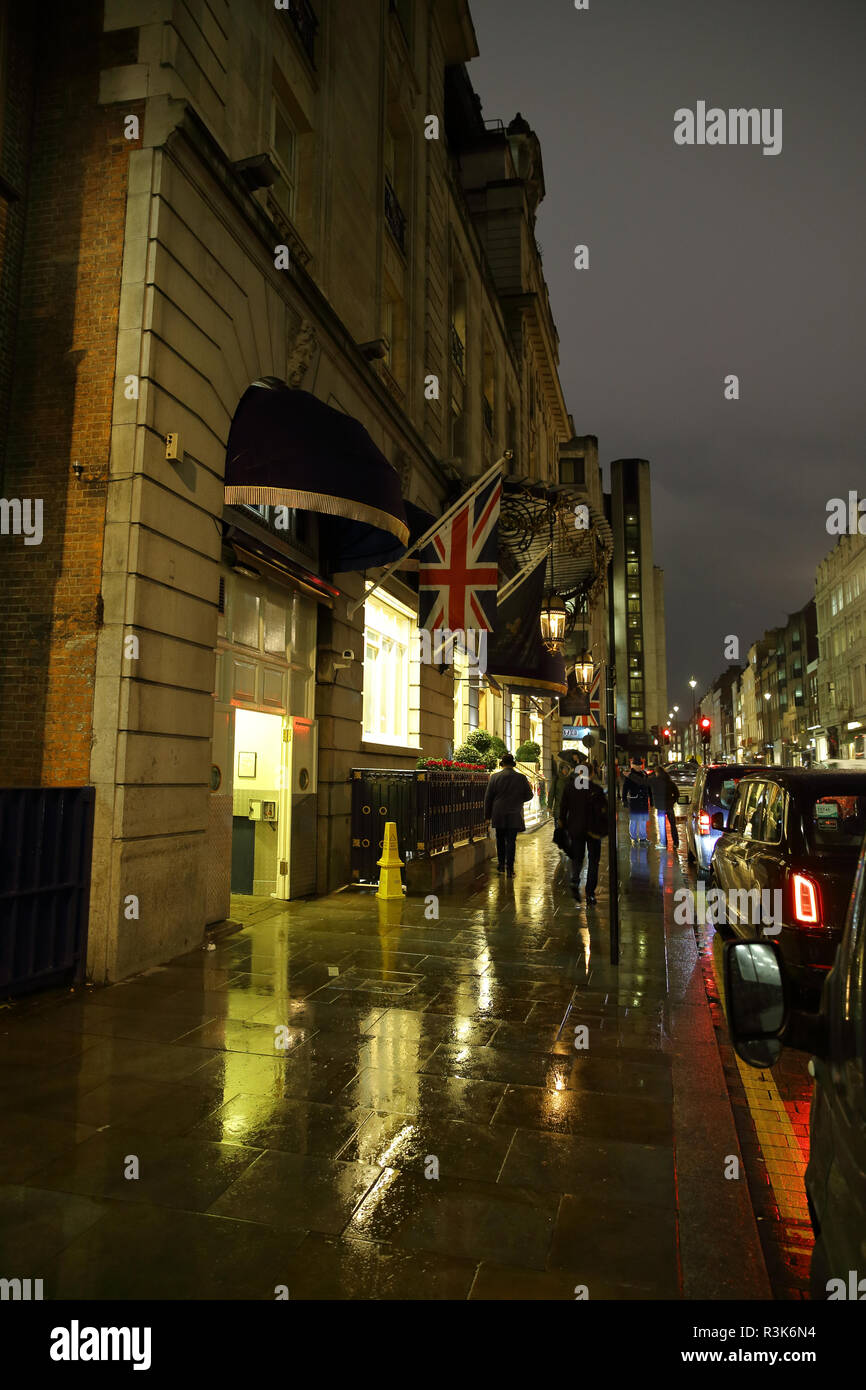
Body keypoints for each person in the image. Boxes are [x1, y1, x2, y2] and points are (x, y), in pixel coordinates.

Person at [559, 756, 608, 903]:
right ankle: (590, 893)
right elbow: (604, 811)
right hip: (593, 830)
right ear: (592, 773)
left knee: (577, 857)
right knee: (593, 861)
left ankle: (575, 879)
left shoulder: (570, 788)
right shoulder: (597, 790)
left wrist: (563, 823)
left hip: (576, 828)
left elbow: (563, 808)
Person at [484, 752, 534, 876]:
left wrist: (487, 816)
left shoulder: (494, 777)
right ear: (513, 764)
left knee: (500, 839)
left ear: (502, 764)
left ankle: (501, 865)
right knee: (511, 841)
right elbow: (529, 795)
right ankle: (510, 868)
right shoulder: (521, 778)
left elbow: (488, 798)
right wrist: (518, 800)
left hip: (498, 813)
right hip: (514, 813)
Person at [648, 762, 679, 849]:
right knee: (673, 825)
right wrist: (672, 801)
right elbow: (677, 793)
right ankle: (676, 842)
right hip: (669, 806)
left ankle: (663, 843)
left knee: (662, 826)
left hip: (661, 807)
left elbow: (646, 784)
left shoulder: (656, 782)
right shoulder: (670, 782)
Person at [621, 756, 653, 842]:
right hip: (635, 799)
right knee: (634, 820)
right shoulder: (629, 775)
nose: (639, 767)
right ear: (633, 765)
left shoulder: (644, 774)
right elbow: (625, 788)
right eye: (637, 765)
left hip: (643, 800)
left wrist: (651, 799)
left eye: (640, 765)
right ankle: (633, 837)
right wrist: (624, 799)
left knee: (643, 820)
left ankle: (643, 837)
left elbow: (648, 787)